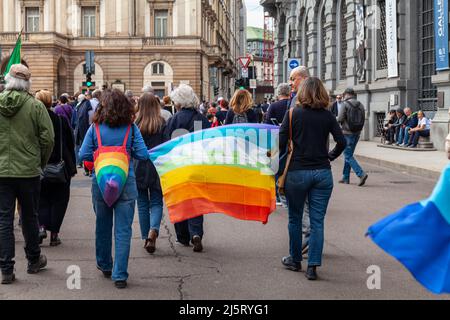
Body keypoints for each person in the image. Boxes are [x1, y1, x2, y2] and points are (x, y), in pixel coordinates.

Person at [79, 89, 150, 289]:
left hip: (100, 183)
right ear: (126, 107)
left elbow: (83, 154)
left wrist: (99, 154)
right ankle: (120, 275)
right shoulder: (131, 128)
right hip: (126, 182)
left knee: (102, 225)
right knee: (123, 229)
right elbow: (143, 155)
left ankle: (104, 264)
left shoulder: (95, 128)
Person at [279, 77, 346, 280]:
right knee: (317, 222)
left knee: (295, 218)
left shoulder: (292, 114)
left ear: (302, 93)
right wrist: (330, 156)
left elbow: (280, 144)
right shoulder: (327, 116)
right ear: (323, 94)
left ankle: (295, 259)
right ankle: (313, 266)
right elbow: (342, 142)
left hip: (297, 173)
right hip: (322, 174)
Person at [0, 64, 54, 284]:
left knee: (3, 219)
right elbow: (48, 139)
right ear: (27, 83)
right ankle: (33, 260)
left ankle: (6, 268)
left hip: (2, 171)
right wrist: (39, 161)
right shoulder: (35, 106)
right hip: (28, 171)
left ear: (8, 81)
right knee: (30, 216)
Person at [164, 84, 210, 252]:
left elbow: (166, 142)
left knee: (180, 200)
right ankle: (196, 233)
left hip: (177, 166)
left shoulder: (173, 120)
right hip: (197, 164)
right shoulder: (201, 119)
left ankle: (182, 236)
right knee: (196, 200)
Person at [35, 90, 77, 247]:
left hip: (39, 166)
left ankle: (41, 227)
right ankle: (54, 235)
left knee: (40, 199)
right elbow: (70, 144)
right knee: (59, 200)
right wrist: (72, 166)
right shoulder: (60, 120)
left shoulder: (34, 121)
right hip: (60, 167)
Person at [134, 93, 166, 254]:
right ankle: (153, 231)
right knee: (156, 202)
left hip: (139, 166)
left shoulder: (136, 123)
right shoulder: (161, 123)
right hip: (157, 166)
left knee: (142, 204)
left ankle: (145, 236)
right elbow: (167, 145)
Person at [337, 88, 369, 186]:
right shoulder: (361, 104)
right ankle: (345, 177)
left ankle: (361, 174)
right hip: (357, 133)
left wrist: (334, 118)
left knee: (347, 155)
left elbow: (340, 118)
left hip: (347, 133)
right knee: (349, 154)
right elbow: (364, 118)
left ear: (346, 94)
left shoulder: (345, 104)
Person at [75, 94, 93, 173]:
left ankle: (84, 165)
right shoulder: (85, 104)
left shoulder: (82, 105)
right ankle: (85, 166)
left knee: (82, 147)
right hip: (84, 128)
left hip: (83, 129)